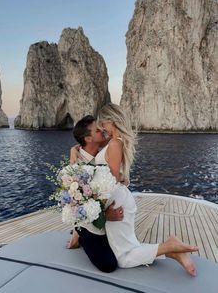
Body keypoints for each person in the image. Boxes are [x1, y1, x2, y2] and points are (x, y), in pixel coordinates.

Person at [71, 104, 199, 277]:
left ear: (111, 121)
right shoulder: (112, 143)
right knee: (128, 249)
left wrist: (102, 210)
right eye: (98, 127)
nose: (101, 127)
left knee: (123, 258)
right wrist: (74, 150)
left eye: (103, 123)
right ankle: (170, 251)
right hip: (116, 201)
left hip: (116, 202)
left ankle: (169, 247)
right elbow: (112, 174)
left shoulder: (114, 143)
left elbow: (113, 179)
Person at [67, 115, 124, 273]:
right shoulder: (76, 167)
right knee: (109, 265)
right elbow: (75, 204)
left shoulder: (104, 153)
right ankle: (80, 236)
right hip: (90, 225)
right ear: (88, 138)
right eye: (97, 130)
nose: (102, 130)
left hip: (109, 220)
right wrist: (106, 216)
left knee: (123, 253)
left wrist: (74, 147)